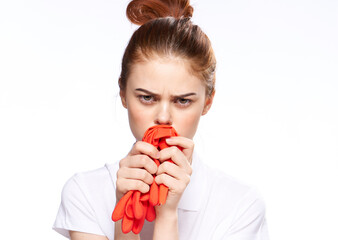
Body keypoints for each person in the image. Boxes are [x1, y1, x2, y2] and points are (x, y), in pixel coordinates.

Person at [53, 0, 269, 239]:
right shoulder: (85, 193)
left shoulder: (242, 206)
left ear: (207, 102)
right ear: (123, 93)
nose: (164, 118)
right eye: (147, 97)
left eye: (183, 101)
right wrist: (125, 213)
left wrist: (167, 215)